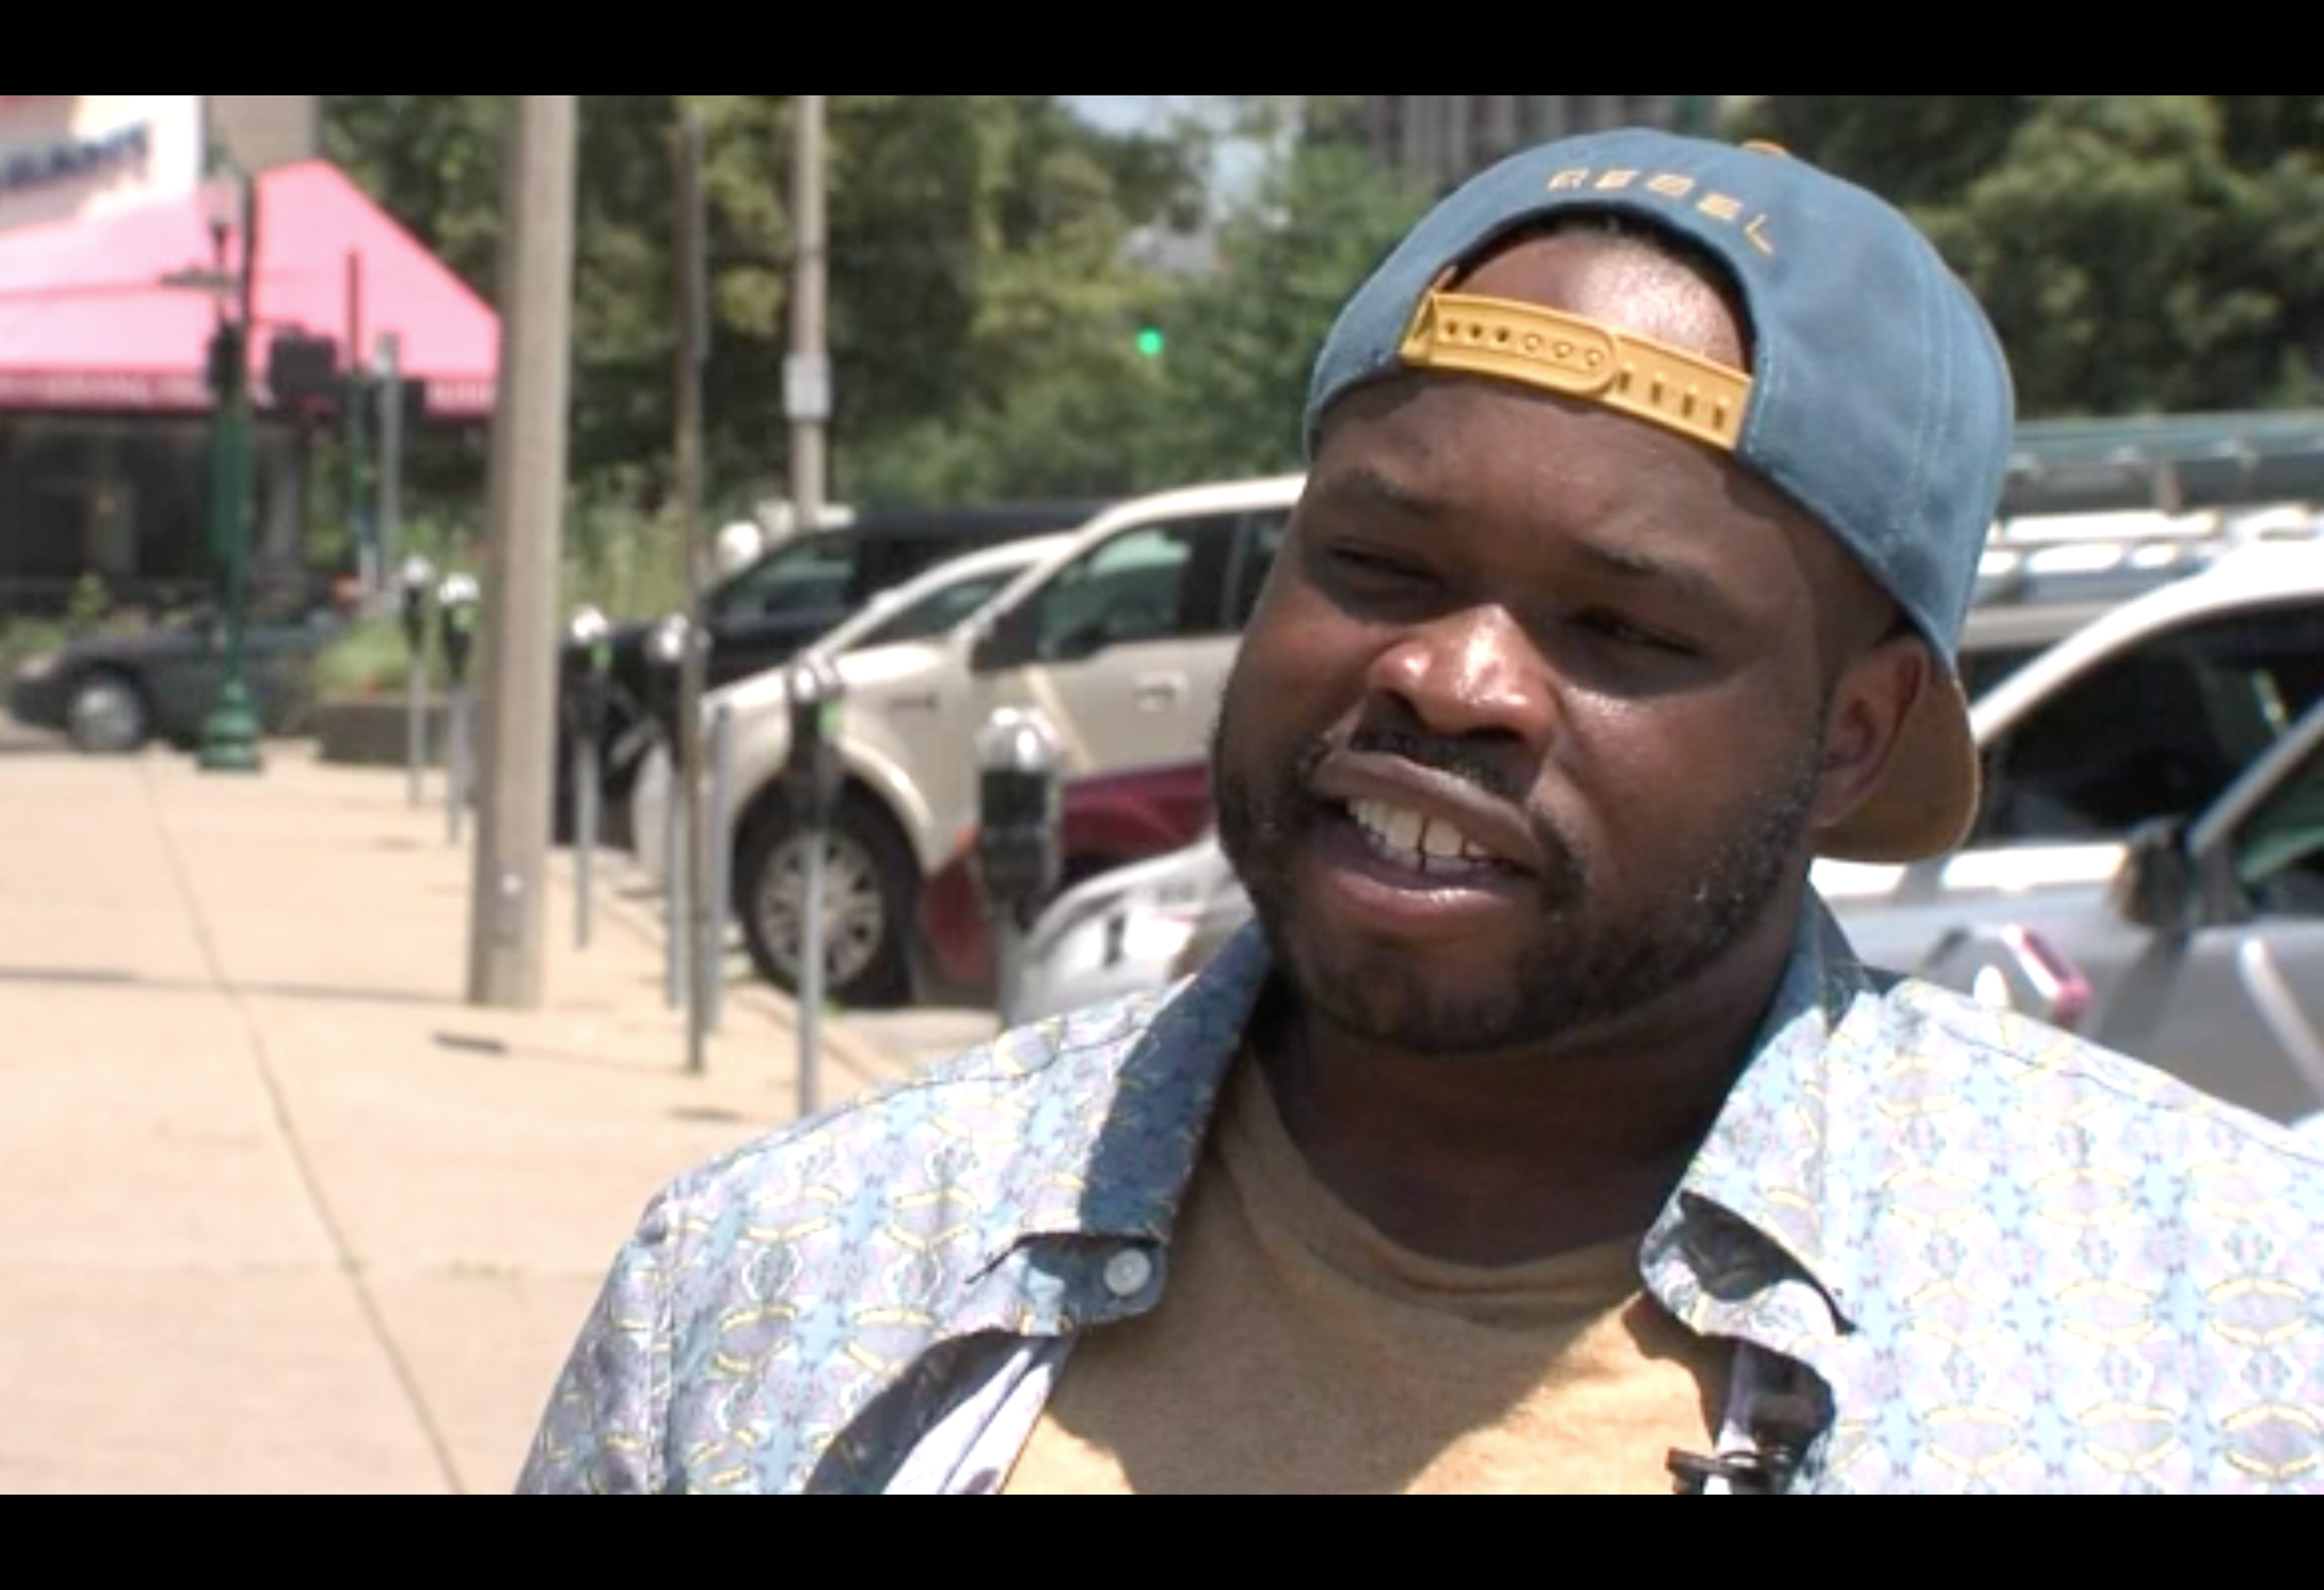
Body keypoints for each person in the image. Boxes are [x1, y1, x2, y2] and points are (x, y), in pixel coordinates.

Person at [517, 129, 2324, 1496]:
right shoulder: (779, 1294)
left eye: (1618, 626)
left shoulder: (2223, 1338)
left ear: (1854, 734)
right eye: (1377, 561)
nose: (1451, 680)